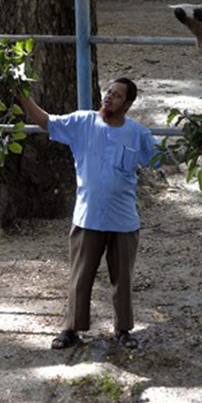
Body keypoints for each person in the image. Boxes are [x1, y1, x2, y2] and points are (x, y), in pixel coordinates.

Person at [17, 77, 161, 350]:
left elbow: (162, 158)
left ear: (128, 104)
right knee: (80, 276)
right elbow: (46, 121)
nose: (109, 98)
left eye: (117, 96)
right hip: (88, 217)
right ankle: (71, 329)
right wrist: (24, 98)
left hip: (124, 220)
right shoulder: (82, 123)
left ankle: (122, 329)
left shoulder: (137, 134)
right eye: (109, 92)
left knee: (123, 278)